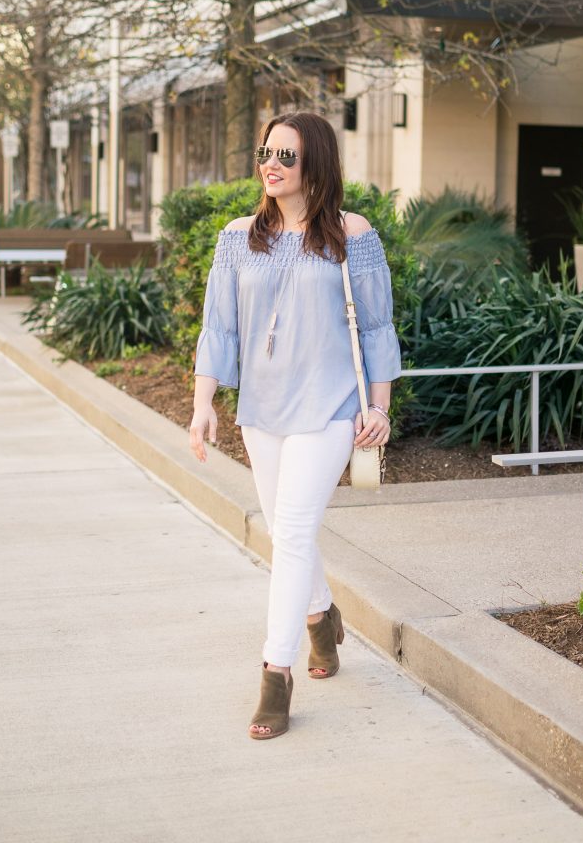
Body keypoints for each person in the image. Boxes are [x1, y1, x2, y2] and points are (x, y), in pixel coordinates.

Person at [189, 111, 401, 740]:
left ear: (316, 165)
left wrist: (380, 405)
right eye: (265, 152)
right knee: (286, 533)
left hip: (331, 407)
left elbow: (376, 326)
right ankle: (322, 620)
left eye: (285, 154)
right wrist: (203, 404)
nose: (270, 164)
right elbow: (219, 327)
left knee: (295, 531)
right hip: (262, 409)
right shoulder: (238, 237)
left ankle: (274, 674)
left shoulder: (351, 235)